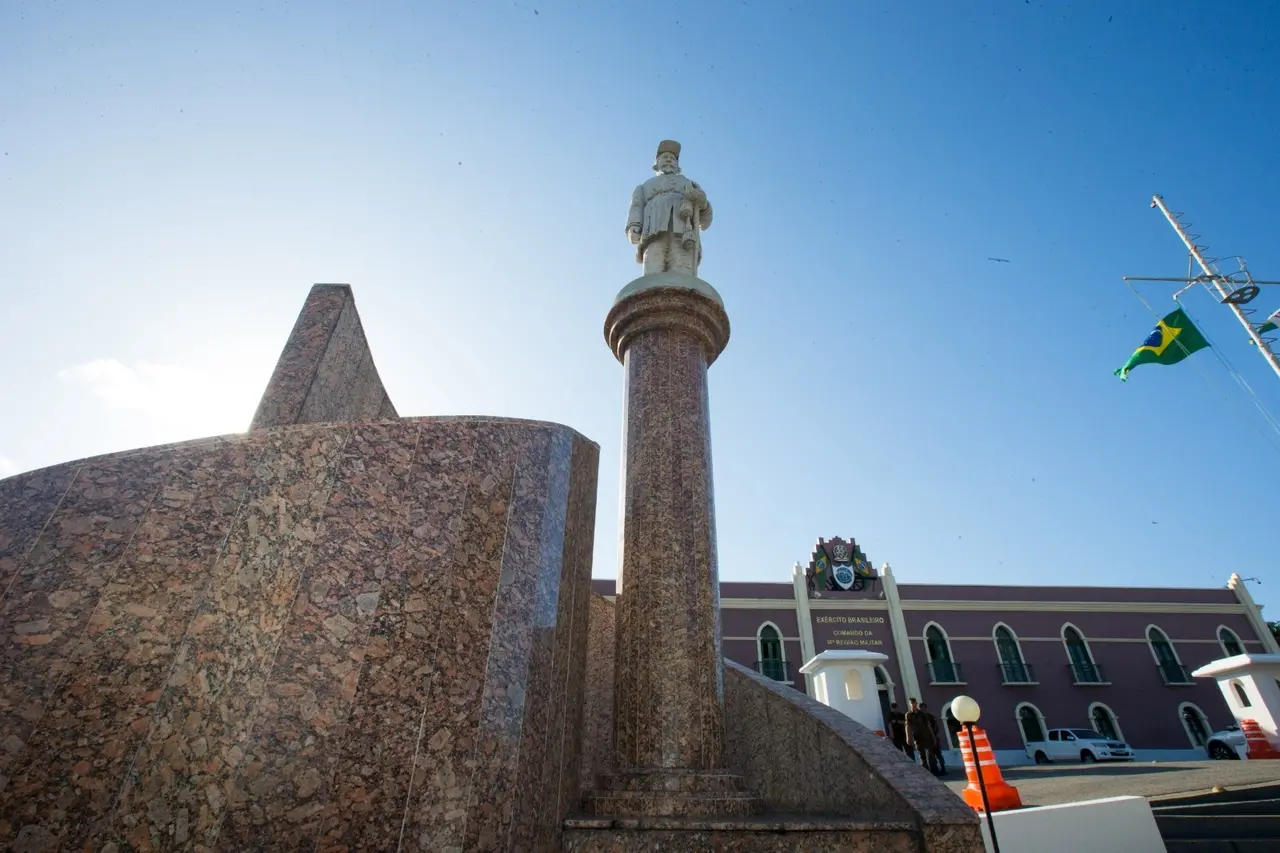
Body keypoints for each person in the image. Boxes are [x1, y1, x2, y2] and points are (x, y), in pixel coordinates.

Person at [625, 140, 714, 277]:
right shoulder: (644, 187)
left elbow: (705, 220)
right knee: (653, 269)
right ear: (656, 164)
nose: (669, 160)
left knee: (682, 271)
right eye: (664, 157)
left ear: (678, 165)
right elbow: (637, 206)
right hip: (653, 233)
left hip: (684, 234)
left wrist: (703, 204)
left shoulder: (689, 184)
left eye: (672, 158)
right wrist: (634, 225)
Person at [906, 698, 939, 775]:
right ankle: (925, 771)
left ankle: (934, 770)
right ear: (910, 704)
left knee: (930, 754)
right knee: (921, 754)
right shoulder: (908, 715)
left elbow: (928, 726)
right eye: (911, 703)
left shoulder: (922, 714)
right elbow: (908, 726)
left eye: (914, 703)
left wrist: (933, 736)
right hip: (917, 737)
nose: (913, 705)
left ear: (916, 704)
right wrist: (908, 737)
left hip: (926, 735)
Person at [920, 702, 947, 775]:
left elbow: (936, 727)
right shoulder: (921, 718)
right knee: (931, 755)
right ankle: (935, 770)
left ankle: (942, 768)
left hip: (933, 738)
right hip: (927, 739)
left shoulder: (930, 717)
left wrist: (934, 734)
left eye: (924, 708)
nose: (923, 709)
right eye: (922, 708)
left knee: (937, 754)